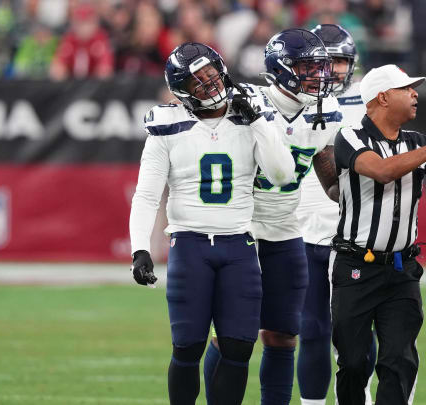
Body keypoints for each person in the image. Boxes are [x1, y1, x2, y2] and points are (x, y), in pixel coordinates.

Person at [129, 42, 296, 405]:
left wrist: (259, 123)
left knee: (238, 347)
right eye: (197, 82)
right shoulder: (167, 126)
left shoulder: (250, 116)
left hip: (239, 244)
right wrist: (140, 247)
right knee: (187, 347)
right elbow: (146, 195)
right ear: (182, 92)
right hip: (189, 245)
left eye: (210, 75)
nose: (209, 85)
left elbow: (283, 175)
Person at [201, 28, 342, 405]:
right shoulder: (245, 102)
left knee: (282, 335)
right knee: (232, 336)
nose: (319, 76)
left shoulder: (326, 111)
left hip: (285, 231)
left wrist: (366, 194)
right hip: (240, 230)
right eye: (308, 68)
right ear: (282, 69)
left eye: (320, 68)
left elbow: (329, 179)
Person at [331, 64, 426, 405]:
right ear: (383, 97)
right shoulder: (350, 137)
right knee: (354, 363)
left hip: (402, 269)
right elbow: (382, 171)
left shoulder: (415, 142)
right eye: (407, 89)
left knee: (399, 361)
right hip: (356, 267)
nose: (415, 93)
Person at [296, 24, 374, 405]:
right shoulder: (291, 99)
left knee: (358, 332)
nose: (331, 70)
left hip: (355, 232)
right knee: (311, 330)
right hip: (302, 230)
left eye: (339, 61)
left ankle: (361, 397)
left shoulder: (372, 100)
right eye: (323, 61)